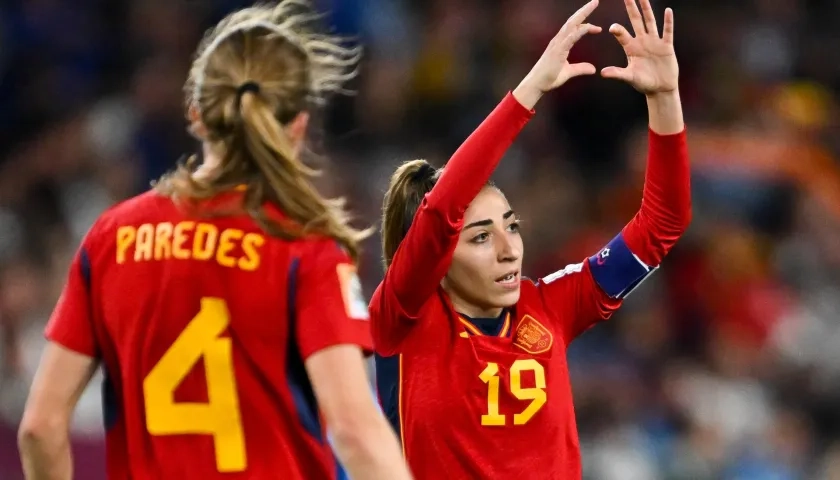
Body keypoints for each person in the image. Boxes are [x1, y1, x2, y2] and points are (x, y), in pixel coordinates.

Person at [17, 2, 412, 479]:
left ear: (196, 113)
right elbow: (353, 430)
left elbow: (40, 427)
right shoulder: (304, 250)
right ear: (299, 125)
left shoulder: (111, 239)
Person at [372, 0, 691, 478]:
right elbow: (441, 211)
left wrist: (665, 97)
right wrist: (533, 88)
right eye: (481, 237)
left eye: (512, 226)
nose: (509, 249)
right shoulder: (404, 317)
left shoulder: (549, 306)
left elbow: (663, 223)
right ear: (436, 256)